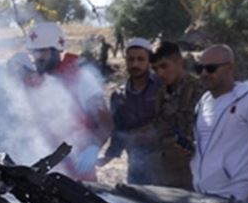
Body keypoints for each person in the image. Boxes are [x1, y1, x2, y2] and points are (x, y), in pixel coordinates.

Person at [190, 45, 248, 203]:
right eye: (199, 69)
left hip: (238, 199)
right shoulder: (204, 102)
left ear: (231, 68)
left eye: (211, 68)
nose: (203, 74)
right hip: (204, 197)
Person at [24, 21, 110, 179]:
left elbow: (105, 122)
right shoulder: (35, 82)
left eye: (42, 51)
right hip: (44, 173)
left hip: (78, 174)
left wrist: (94, 147)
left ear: (56, 50)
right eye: (33, 52)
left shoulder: (81, 78)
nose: (37, 57)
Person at [104, 38, 163, 184]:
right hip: (137, 170)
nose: (135, 64)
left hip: (167, 168)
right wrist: (108, 156)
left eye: (140, 59)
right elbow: (118, 131)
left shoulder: (164, 88)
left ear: (149, 61)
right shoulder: (118, 96)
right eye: (131, 59)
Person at [147, 41, 205, 189]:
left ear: (179, 61)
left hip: (190, 174)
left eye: (164, 66)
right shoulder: (161, 93)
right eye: (155, 69)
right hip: (162, 173)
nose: (160, 73)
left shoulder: (199, 90)